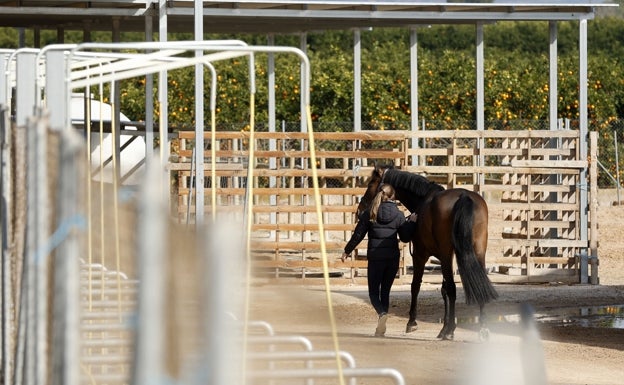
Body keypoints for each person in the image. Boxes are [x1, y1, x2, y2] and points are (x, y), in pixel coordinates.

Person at [341, 184, 417, 337]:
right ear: (393, 197)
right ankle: (381, 328)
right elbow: (405, 237)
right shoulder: (399, 214)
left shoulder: (370, 212)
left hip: (376, 258)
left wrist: (347, 251)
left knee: (373, 293)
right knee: (385, 292)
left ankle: (382, 314)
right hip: (392, 259)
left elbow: (358, 234)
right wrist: (412, 223)